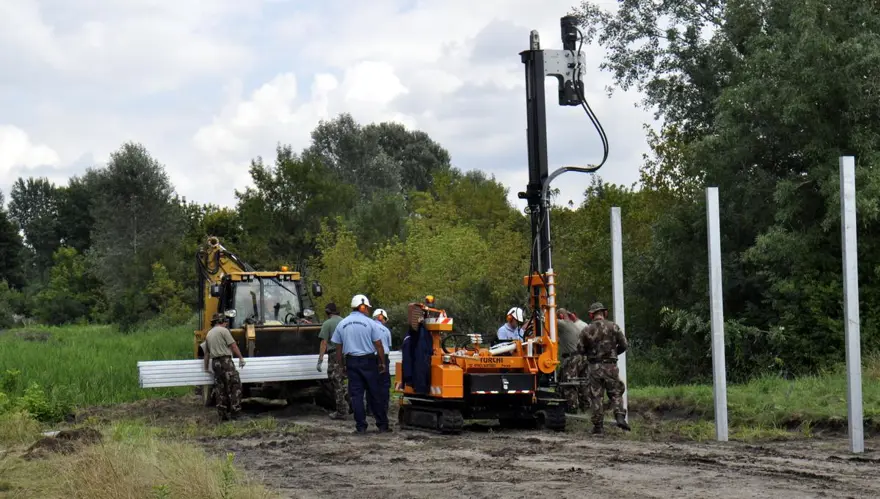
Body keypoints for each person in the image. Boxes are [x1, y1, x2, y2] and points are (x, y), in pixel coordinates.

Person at [331, 294, 390, 434]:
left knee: (356, 395)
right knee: (375, 393)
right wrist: (382, 363)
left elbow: (338, 348)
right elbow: (379, 345)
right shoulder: (370, 323)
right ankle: (382, 425)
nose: (368, 311)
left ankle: (361, 427)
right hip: (369, 361)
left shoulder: (342, 324)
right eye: (367, 308)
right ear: (362, 307)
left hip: (351, 361)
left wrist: (341, 365)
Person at [577, 302, 630, 434]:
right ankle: (619, 416)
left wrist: (591, 354)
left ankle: (598, 426)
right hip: (611, 366)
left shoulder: (586, 330)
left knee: (596, 396)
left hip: (594, 367)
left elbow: (580, 349)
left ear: (591, 315)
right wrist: (613, 354)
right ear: (604, 313)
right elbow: (624, 344)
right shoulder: (614, 327)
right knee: (615, 392)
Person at [203, 312, 247, 421]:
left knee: (220, 388)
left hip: (215, 363)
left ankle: (222, 415)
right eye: (225, 321)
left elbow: (207, 353)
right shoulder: (224, 331)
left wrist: (206, 367)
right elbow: (233, 345)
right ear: (221, 322)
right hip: (225, 362)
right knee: (235, 385)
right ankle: (235, 412)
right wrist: (241, 358)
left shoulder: (209, 334)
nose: (226, 324)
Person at [316, 302, 348, 420]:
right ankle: (355, 405)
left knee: (336, 382)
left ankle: (341, 411)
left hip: (335, 355)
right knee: (346, 381)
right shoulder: (345, 321)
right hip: (348, 353)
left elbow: (324, 342)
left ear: (327, 312)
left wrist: (320, 360)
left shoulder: (327, 324)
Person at [556, 307, 585, 413]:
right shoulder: (574, 325)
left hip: (571, 358)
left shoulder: (562, 324)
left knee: (569, 383)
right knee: (579, 383)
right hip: (579, 357)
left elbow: (546, 320)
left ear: (561, 316)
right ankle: (584, 407)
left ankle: (572, 408)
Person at [372, 308, 393, 415]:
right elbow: (388, 346)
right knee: (384, 384)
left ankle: (371, 409)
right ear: (384, 319)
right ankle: (384, 407)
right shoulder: (387, 331)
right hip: (384, 357)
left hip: (373, 357)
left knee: (371, 382)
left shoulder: (370, 327)